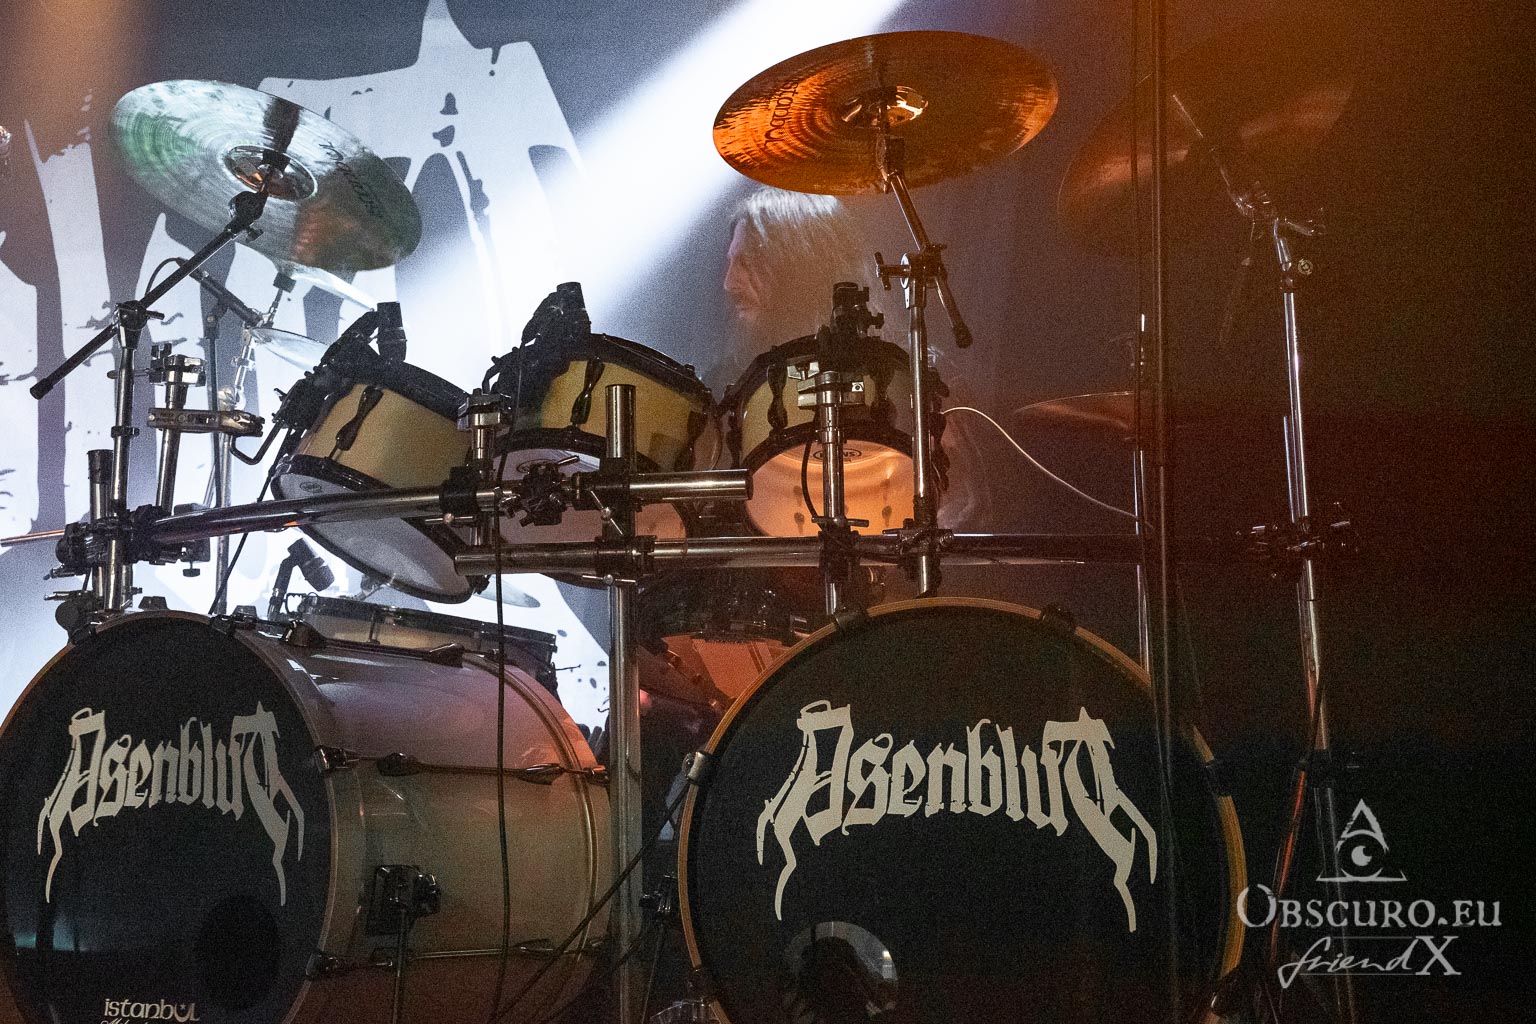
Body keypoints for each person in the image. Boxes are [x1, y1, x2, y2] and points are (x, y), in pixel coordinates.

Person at [718, 185, 986, 529]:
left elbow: (965, 503)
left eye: (745, 263)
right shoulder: (736, 381)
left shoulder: (916, 374)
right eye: (731, 263)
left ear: (794, 262)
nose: (729, 283)